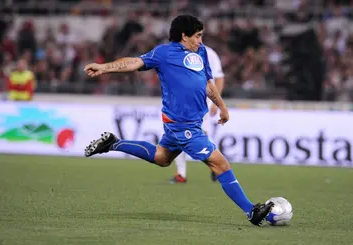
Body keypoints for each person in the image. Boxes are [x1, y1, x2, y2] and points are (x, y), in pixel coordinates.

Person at [83, 14, 274, 226]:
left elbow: (207, 84)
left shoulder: (200, 52)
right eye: (198, 36)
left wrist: (221, 106)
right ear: (184, 36)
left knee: (162, 157)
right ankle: (251, 211)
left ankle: (113, 143)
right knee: (220, 164)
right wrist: (104, 67)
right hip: (182, 125)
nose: (201, 41)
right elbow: (134, 62)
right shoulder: (163, 53)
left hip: (191, 123)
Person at [170, 45, 225, 184]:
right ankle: (181, 174)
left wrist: (215, 102)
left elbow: (219, 78)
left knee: (200, 135)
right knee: (179, 134)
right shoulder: (178, 52)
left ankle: (216, 165)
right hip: (182, 100)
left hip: (202, 99)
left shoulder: (209, 53)